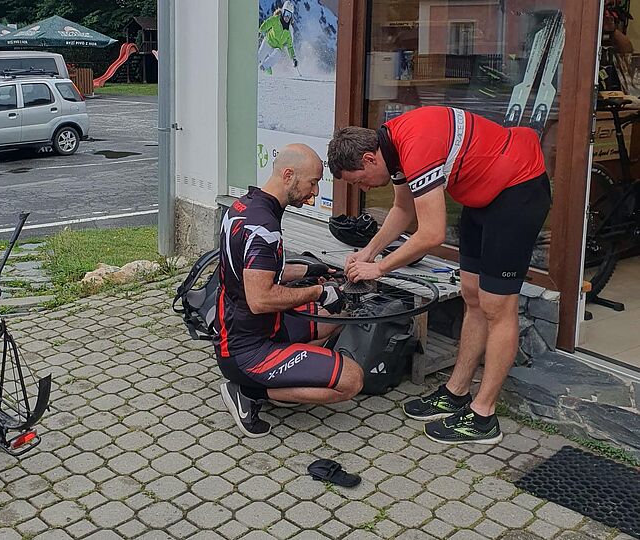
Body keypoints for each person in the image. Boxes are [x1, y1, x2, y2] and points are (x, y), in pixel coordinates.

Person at [327, 107, 551, 445]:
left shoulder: (415, 146)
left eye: (359, 181)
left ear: (370, 159)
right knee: (472, 295)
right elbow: (403, 209)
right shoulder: (390, 146)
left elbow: (431, 234)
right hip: (482, 194)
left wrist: (380, 267)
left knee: (498, 306)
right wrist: (368, 252)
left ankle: (484, 416)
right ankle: (456, 392)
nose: (364, 189)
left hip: (518, 188)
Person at [215, 143, 364, 438]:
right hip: (248, 351)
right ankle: (249, 392)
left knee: (336, 317)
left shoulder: (244, 206)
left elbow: (259, 271)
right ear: (288, 175)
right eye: (313, 182)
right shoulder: (264, 227)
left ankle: (288, 377)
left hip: (245, 330)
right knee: (352, 380)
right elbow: (260, 299)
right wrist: (317, 293)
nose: (314, 193)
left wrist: (314, 271)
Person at [258, 1, 298, 76]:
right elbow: (267, 23)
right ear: (283, 12)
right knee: (259, 56)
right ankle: (253, 66)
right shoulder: (276, 19)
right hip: (268, 42)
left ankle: (264, 67)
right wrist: (260, 31)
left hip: (276, 47)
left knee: (278, 53)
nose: (287, 17)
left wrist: (294, 58)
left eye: (289, 15)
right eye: (286, 13)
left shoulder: (288, 30)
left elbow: (290, 46)